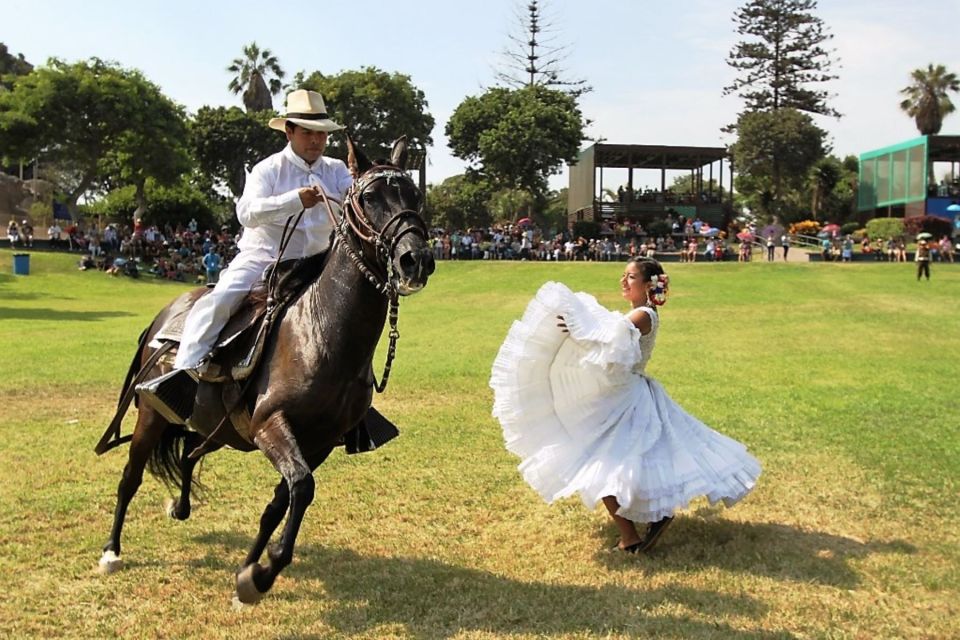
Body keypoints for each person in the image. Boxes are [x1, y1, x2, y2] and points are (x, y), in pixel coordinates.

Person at [489, 258, 761, 554]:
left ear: (647, 285)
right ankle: (652, 516)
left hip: (625, 398)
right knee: (623, 458)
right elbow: (605, 337)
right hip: (623, 393)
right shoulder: (636, 314)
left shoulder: (644, 315)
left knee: (600, 460)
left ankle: (631, 535)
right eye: (624, 275)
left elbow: (609, 334)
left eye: (630, 277)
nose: (623, 281)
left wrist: (576, 326)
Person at [137, 90, 353, 423]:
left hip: (320, 261)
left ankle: (356, 404)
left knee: (355, 309)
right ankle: (181, 378)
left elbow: (357, 201)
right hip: (264, 259)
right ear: (289, 132)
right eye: (308, 132)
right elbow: (247, 213)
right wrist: (294, 199)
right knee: (222, 298)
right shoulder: (269, 169)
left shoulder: (337, 170)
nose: (316, 139)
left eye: (322, 132)